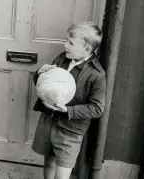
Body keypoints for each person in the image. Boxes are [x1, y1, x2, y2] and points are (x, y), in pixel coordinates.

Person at [31, 22, 106, 179]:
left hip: (70, 132)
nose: (65, 45)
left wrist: (69, 111)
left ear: (87, 49)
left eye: (70, 43)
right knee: (49, 163)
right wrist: (40, 73)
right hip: (49, 121)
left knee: (62, 175)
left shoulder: (96, 74)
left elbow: (97, 109)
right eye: (66, 40)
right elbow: (46, 86)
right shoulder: (61, 59)